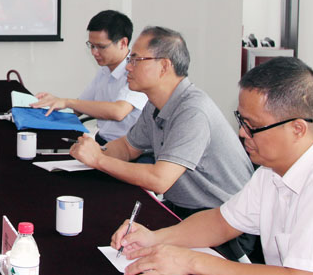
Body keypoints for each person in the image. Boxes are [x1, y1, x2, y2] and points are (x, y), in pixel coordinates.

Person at [112, 57, 313, 275]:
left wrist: (192, 261)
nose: (242, 133)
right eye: (241, 121)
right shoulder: (270, 172)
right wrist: (154, 238)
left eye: (252, 126)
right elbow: (222, 223)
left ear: (297, 129)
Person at [70, 26, 254, 258]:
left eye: (136, 60)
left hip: (224, 226)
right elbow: (127, 147)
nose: (128, 67)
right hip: (185, 212)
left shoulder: (192, 111)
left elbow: (160, 180)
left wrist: (98, 160)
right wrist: (95, 151)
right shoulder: (155, 104)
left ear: (164, 66)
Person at [31, 10, 148, 143]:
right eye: (91, 46)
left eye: (100, 47)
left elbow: (118, 111)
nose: (94, 52)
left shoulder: (137, 71)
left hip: (128, 148)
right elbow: (78, 107)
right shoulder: (104, 69)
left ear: (123, 43)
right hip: (103, 140)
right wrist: (48, 106)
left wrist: (67, 101)